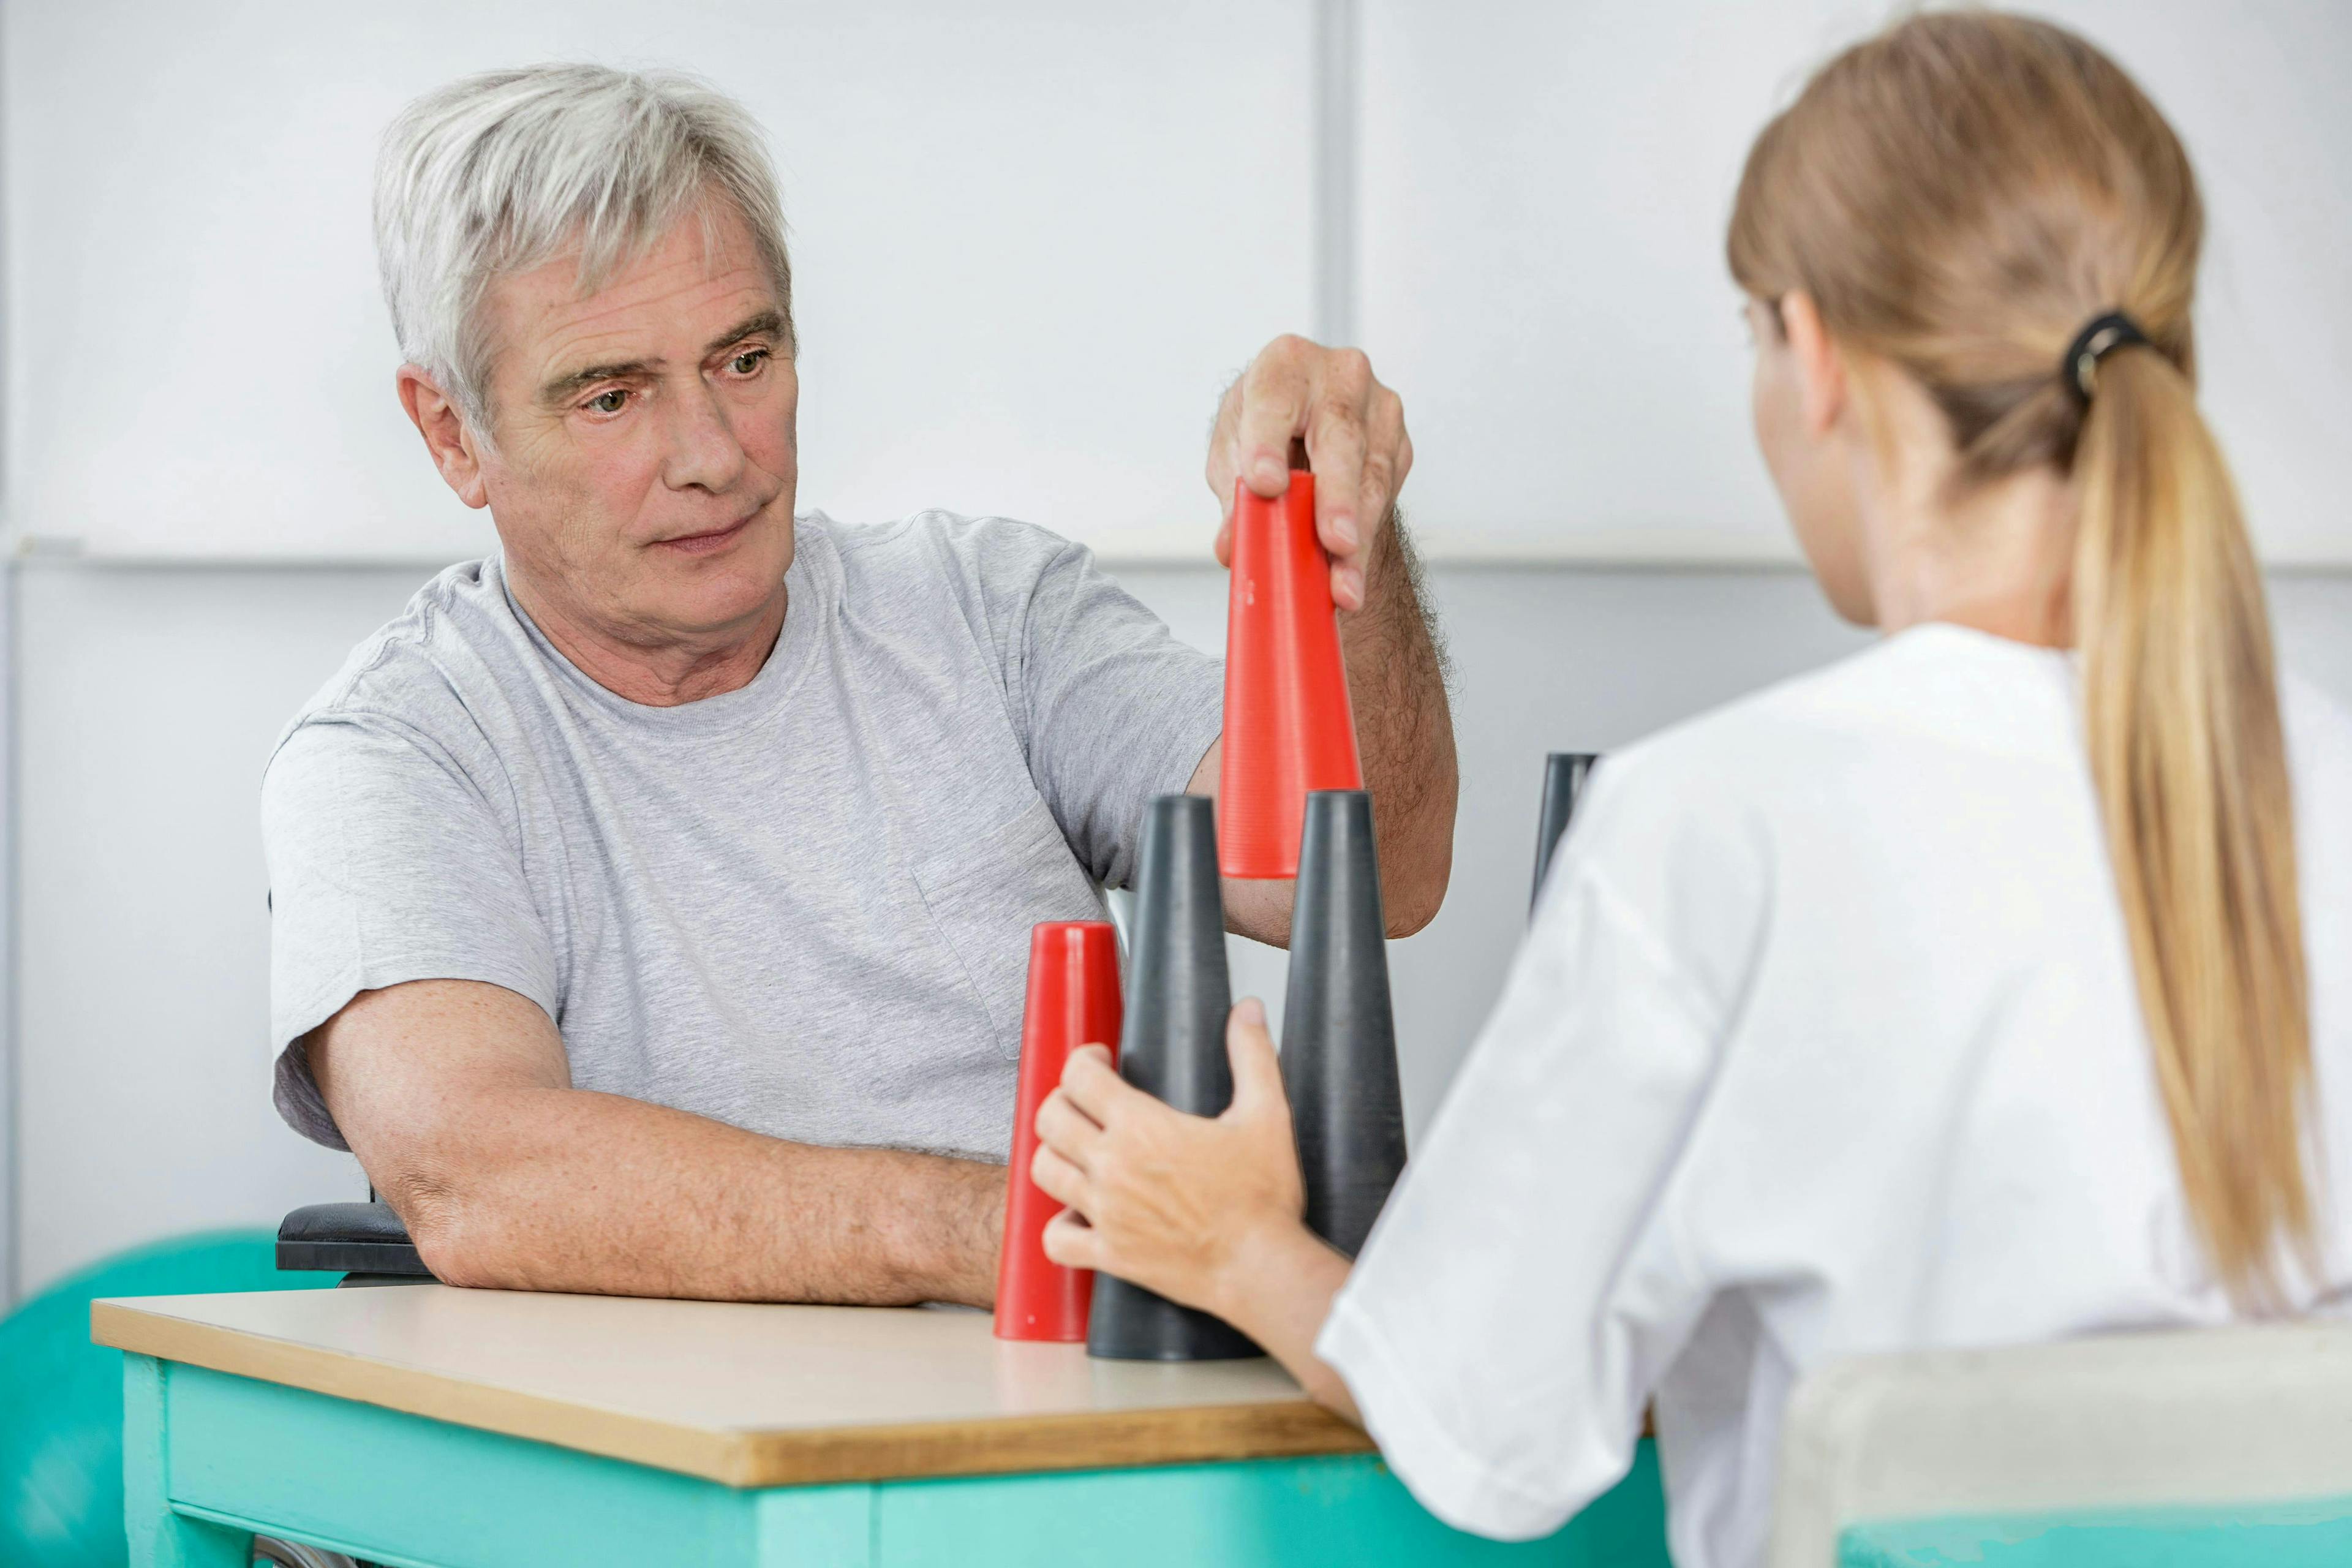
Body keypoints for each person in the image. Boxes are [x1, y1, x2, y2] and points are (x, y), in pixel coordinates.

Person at [1030, 15, 2352, 1568]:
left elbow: (1487, 1423)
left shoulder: (1718, 831)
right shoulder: (2320, 777)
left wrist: (1233, 1239)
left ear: (1817, 356)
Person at [262, 65, 1457, 1308]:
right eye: (613, 395)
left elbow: (1370, 874)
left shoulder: (989, 608)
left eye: (744, 360)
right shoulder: (396, 751)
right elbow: (477, 1172)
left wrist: (1336, 533)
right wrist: (1012, 1222)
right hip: (704, 1454)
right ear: (454, 432)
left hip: (1083, 1393)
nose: (714, 458)